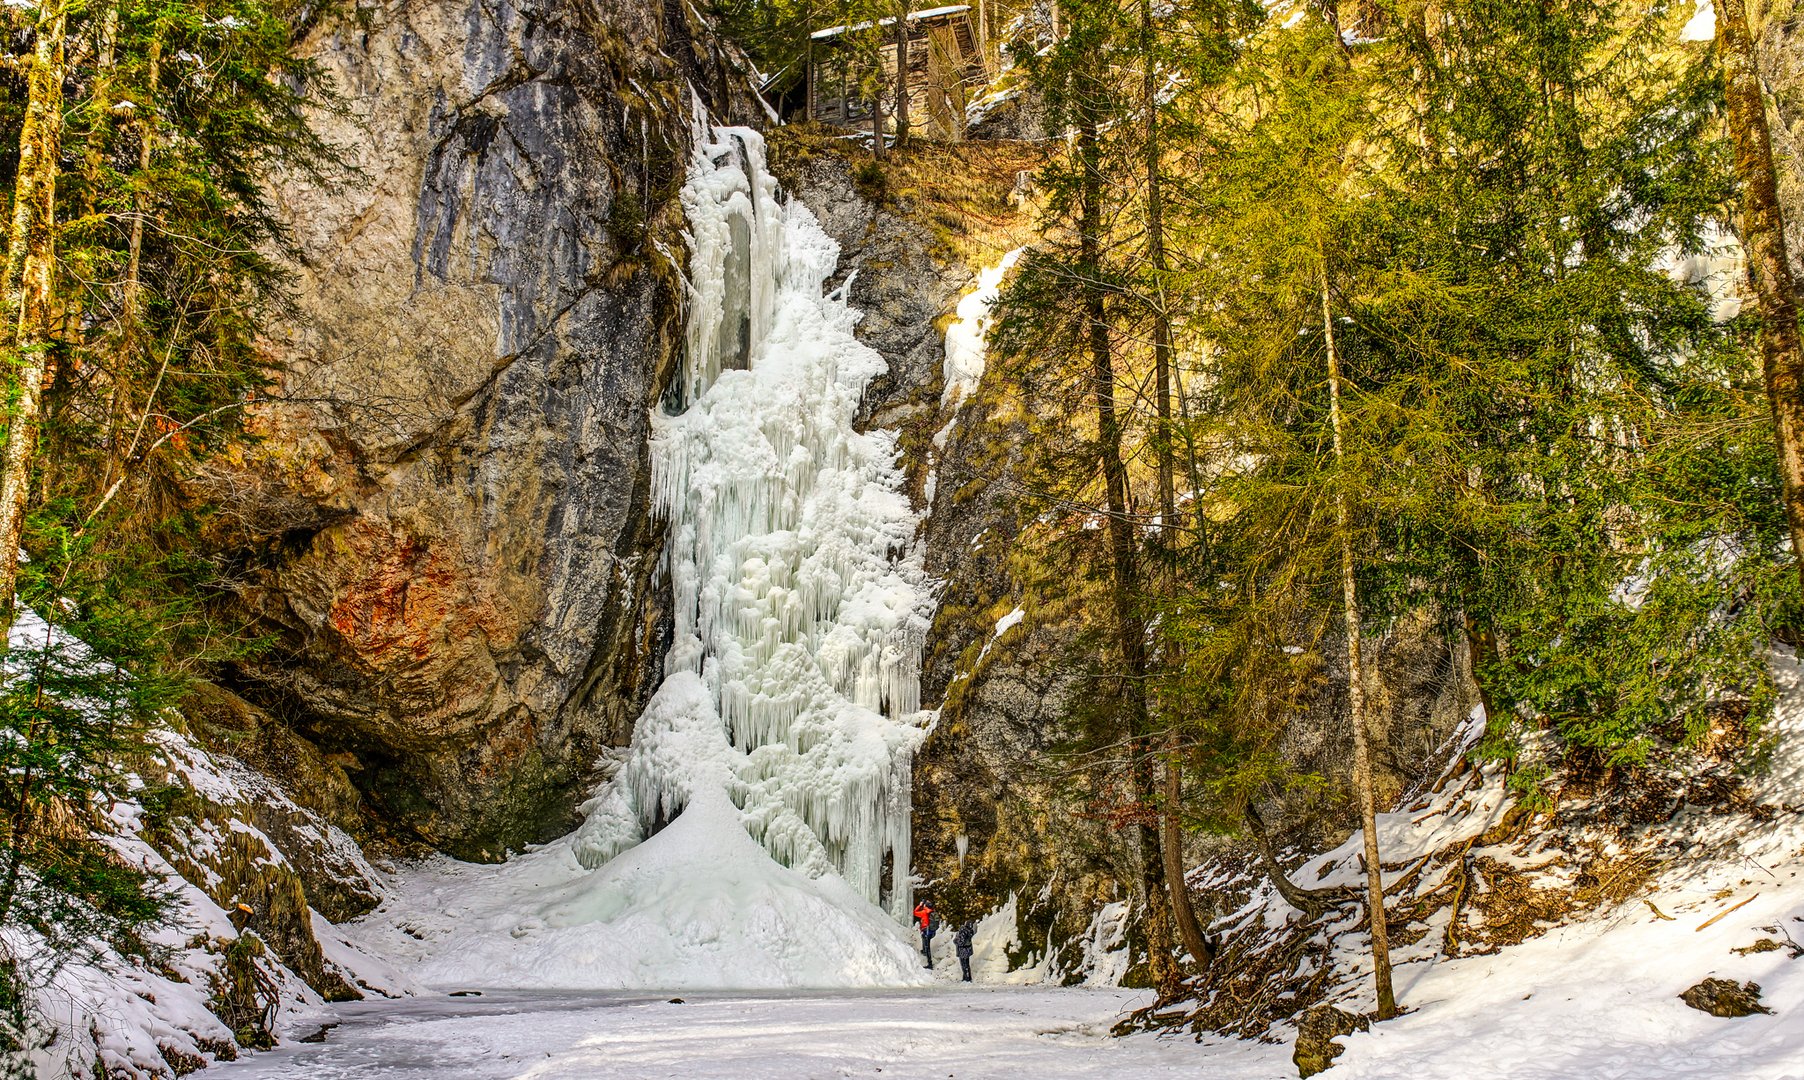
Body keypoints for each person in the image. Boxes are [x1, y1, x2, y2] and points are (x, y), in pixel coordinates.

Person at [912, 899, 939, 968]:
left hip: (926, 931)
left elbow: (914, 912)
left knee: (927, 946)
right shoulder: (931, 911)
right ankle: (924, 951)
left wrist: (919, 905)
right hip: (931, 931)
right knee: (925, 941)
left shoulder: (924, 912)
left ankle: (930, 963)